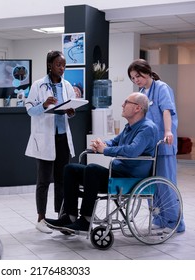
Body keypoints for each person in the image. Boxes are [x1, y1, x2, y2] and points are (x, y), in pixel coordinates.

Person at [45, 92, 158, 232]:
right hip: (117, 174)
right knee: (70, 169)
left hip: (130, 179)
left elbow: (132, 151)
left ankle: (86, 220)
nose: (122, 105)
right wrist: (102, 143)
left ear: (137, 108)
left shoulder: (147, 128)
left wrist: (104, 150)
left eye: (126, 102)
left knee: (92, 169)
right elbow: (115, 141)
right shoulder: (129, 127)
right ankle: (70, 216)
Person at [127, 58, 185, 232]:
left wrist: (168, 131)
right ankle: (160, 218)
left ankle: (174, 223)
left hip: (164, 144)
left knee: (166, 184)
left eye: (138, 75)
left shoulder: (161, 88)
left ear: (148, 72)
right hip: (149, 146)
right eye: (133, 78)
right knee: (152, 185)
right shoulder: (142, 92)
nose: (136, 80)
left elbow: (166, 110)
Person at [25, 50, 77, 233]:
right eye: (58, 65)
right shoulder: (38, 86)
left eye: (64, 65)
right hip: (45, 138)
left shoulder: (67, 85)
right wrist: (44, 105)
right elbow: (30, 110)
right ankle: (41, 219)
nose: (62, 68)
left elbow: (71, 106)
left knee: (62, 180)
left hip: (62, 138)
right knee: (44, 180)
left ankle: (61, 218)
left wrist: (71, 112)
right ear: (49, 65)